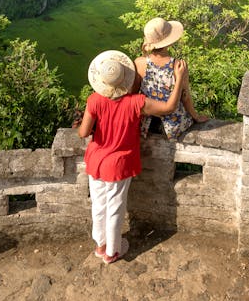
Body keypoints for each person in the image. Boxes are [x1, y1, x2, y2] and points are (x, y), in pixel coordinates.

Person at [76, 49, 188, 264]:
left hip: (96, 160)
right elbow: (169, 107)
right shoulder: (136, 102)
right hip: (119, 164)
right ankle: (113, 251)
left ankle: (101, 246)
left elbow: (83, 133)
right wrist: (180, 78)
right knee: (115, 207)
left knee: (99, 205)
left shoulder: (94, 100)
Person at [135, 17, 209, 140]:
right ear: (169, 42)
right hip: (173, 125)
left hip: (146, 124)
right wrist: (196, 116)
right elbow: (185, 96)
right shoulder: (178, 66)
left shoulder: (139, 63)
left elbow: (135, 94)